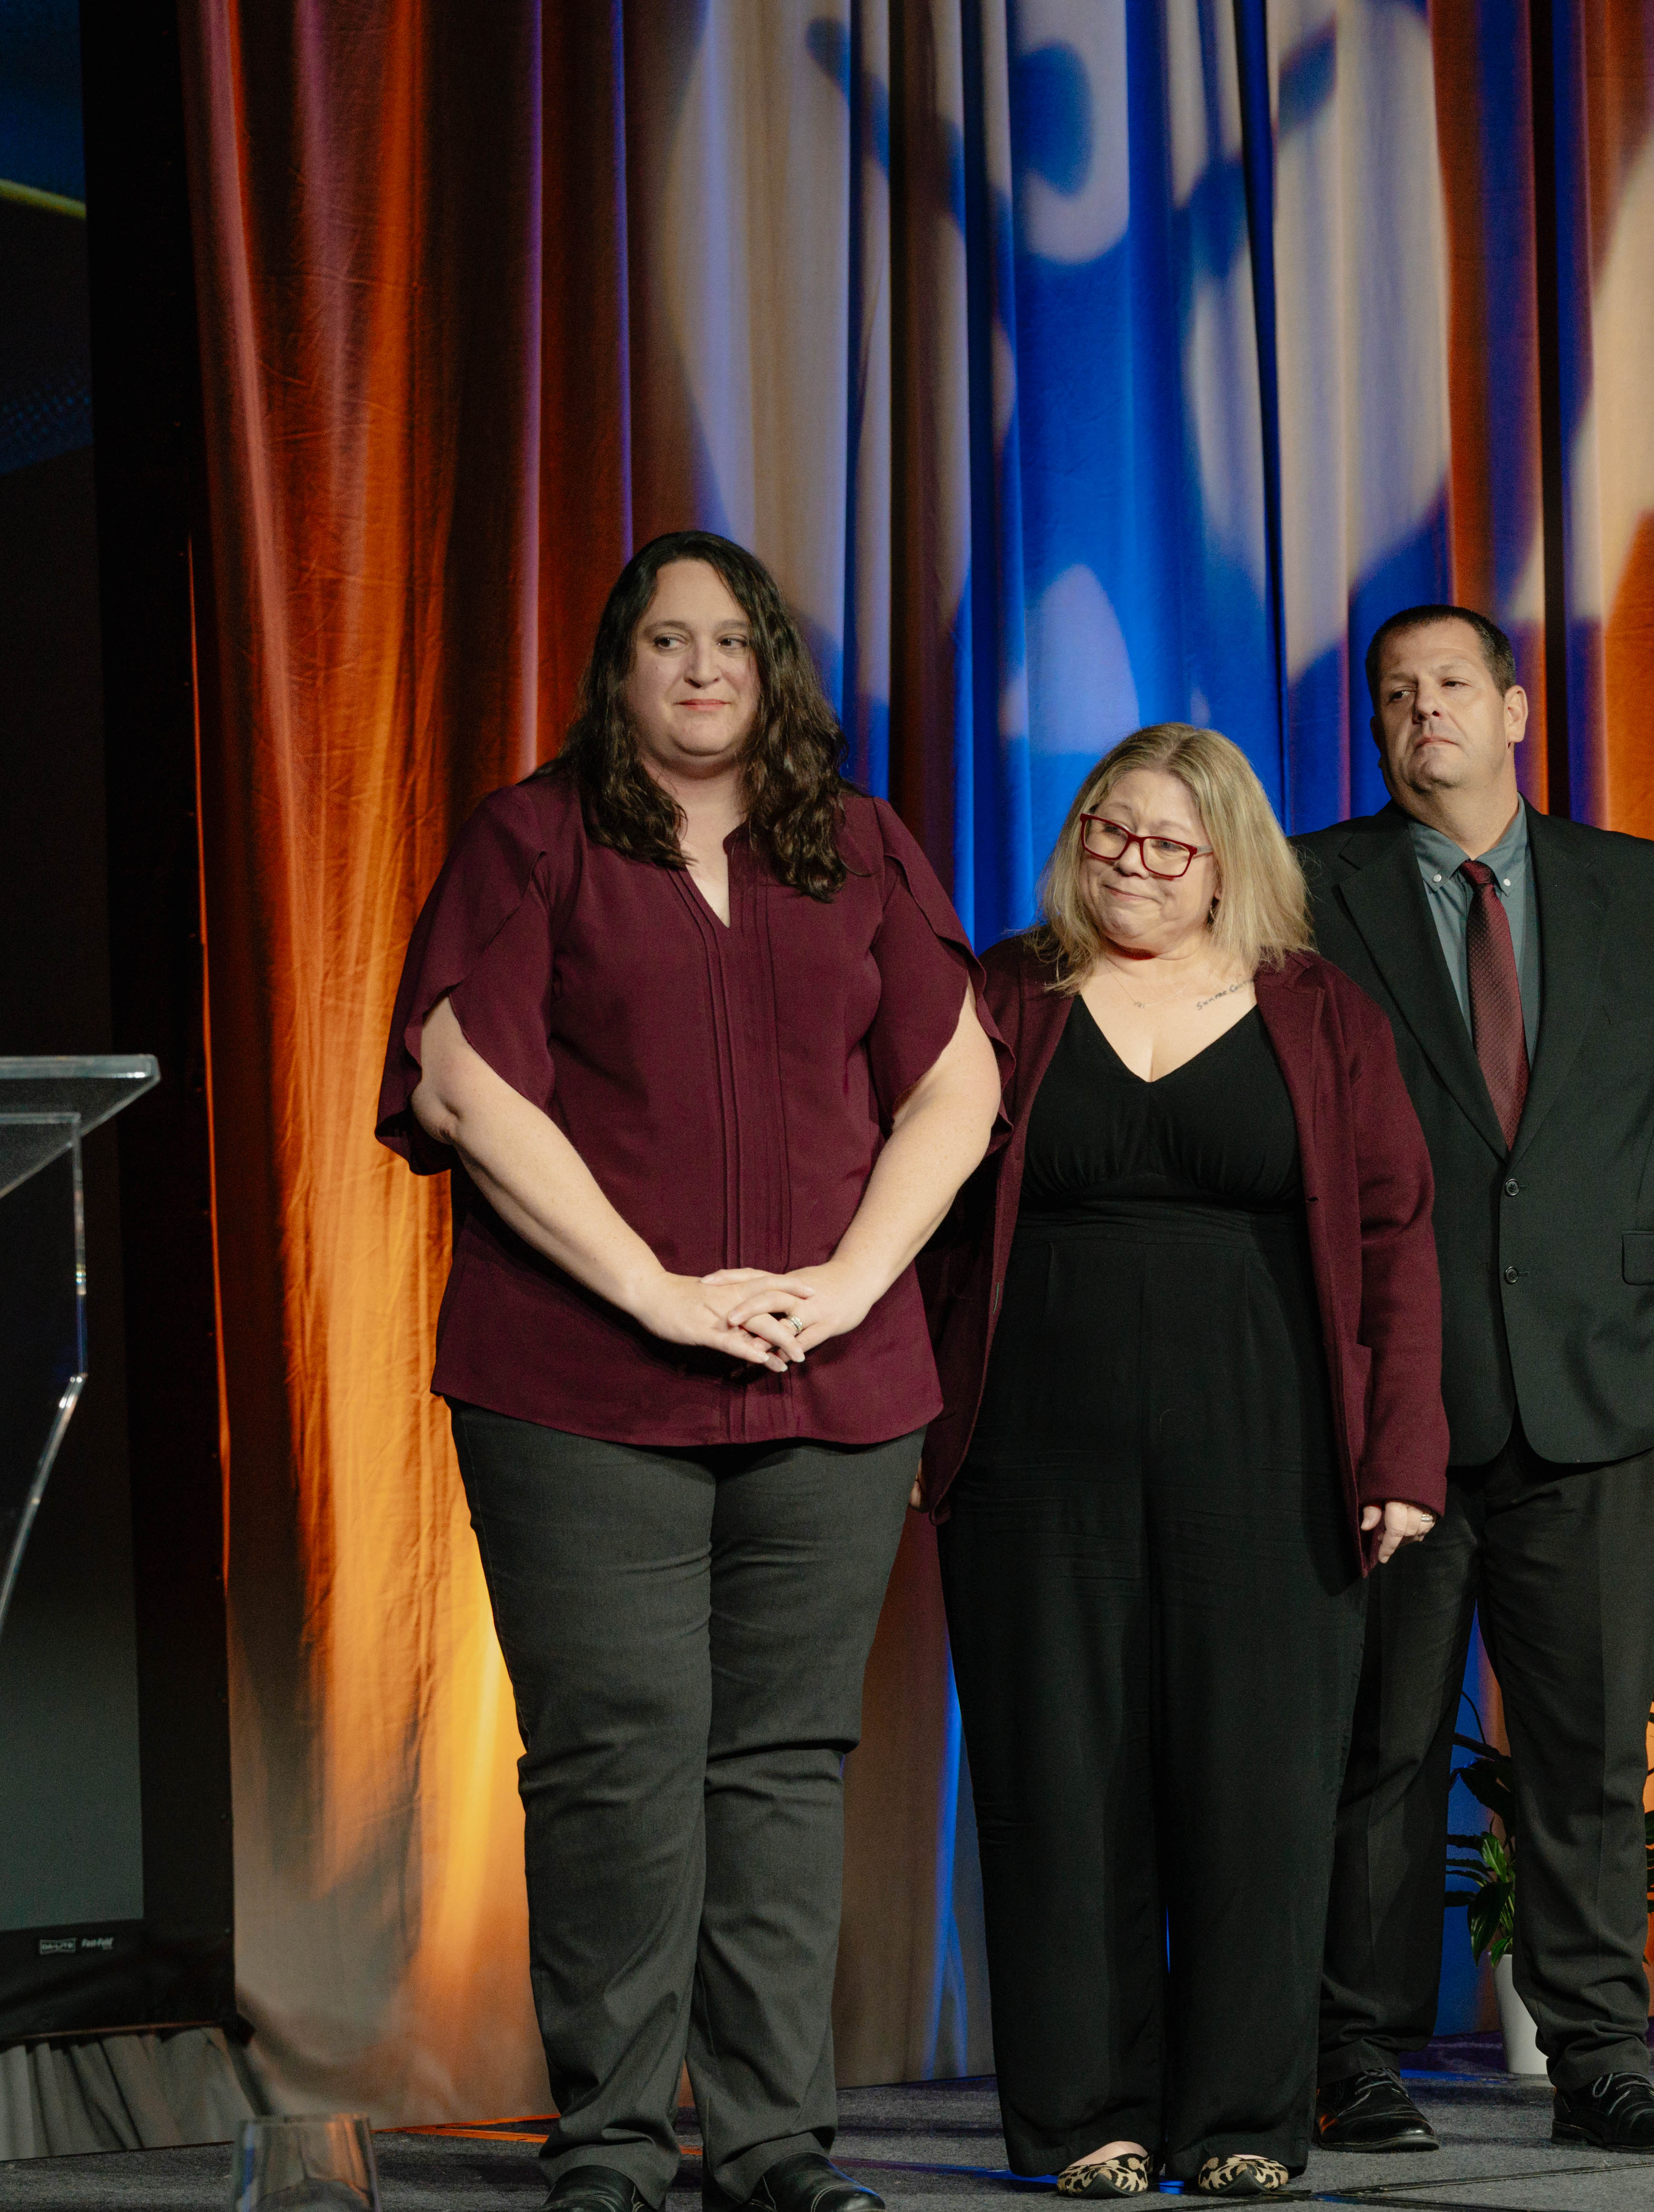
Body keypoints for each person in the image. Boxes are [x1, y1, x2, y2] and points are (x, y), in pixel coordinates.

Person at [377, 531, 1003, 2212]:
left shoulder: (859, 844)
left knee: (787, 1764)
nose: (704, 668)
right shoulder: (533, 837)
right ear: (621, 668)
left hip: (834, 1382)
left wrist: (853, 1283)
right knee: (616, 1758)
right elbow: (463, 1088)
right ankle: (610, 2144)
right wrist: (657, 1293)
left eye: (733, 640)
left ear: (773, 666)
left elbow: (953, 1085)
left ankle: (777, 2141)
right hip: (581, 1383)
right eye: (669, 641)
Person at [915, 724, 1447, 2197]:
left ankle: (1241, 2125)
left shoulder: (1318, 1007)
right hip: (1030, 1456)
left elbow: (1400, 1238)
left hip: (1271, 1451)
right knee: (1055, 1779)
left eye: (1167, 846)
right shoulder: (1004, 994)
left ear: (1229, 863)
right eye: (1107, 834)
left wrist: (1402, 1445)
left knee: (1261, 1788)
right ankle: (1086, 2118)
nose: (1132, 867)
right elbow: (922, 1213)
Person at [1295, 605, 1654, 2158]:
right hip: (1390, 1409)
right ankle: (1347, 2052)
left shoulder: (1643, 887)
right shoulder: (1307, 888)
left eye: (1449, 685)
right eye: (1393, 693)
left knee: (1585, 1753)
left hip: (1598, 1392)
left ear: (1515, 710)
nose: (1421, 709)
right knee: (1380, 1747)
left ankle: (1601, 2060)